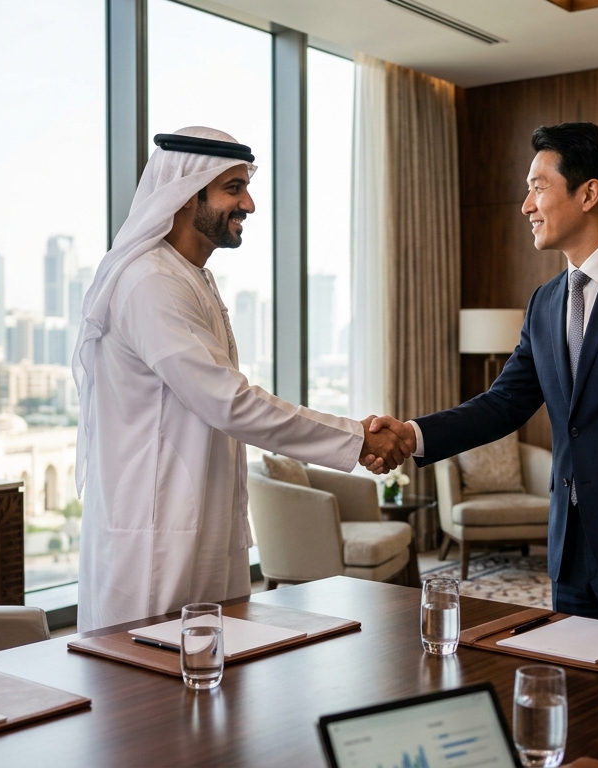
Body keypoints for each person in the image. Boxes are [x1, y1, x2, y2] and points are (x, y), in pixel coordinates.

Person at [366, 122, 598, 636]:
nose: (526, 205)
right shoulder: (545, 302)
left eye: (539, 186)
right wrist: (412, 434)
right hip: (568, 553)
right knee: (581, 700)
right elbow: (504, 403)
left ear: (589, 193)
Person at [72, 127, 409, 632]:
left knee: (211, 693)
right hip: (156, 539)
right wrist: (357, 438)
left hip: (200, 526)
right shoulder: (152, 282)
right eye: (233, 188)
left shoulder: (193, 277)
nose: (248, 203)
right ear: (188, 195)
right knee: (147, 696)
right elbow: (231, 404)